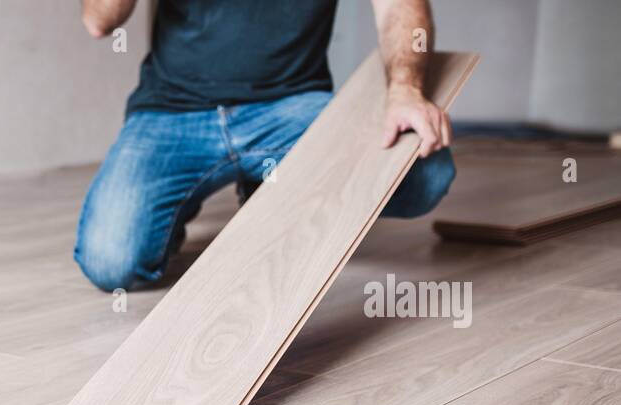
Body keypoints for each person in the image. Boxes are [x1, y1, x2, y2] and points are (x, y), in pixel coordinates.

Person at [75, 0, 456, 291]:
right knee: (111, 262)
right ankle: (230, 197)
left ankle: (266, 186)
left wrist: (405, 89)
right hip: (173, 110)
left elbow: (400, 6)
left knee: (424, 173)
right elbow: (98, 19)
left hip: (291, 108)